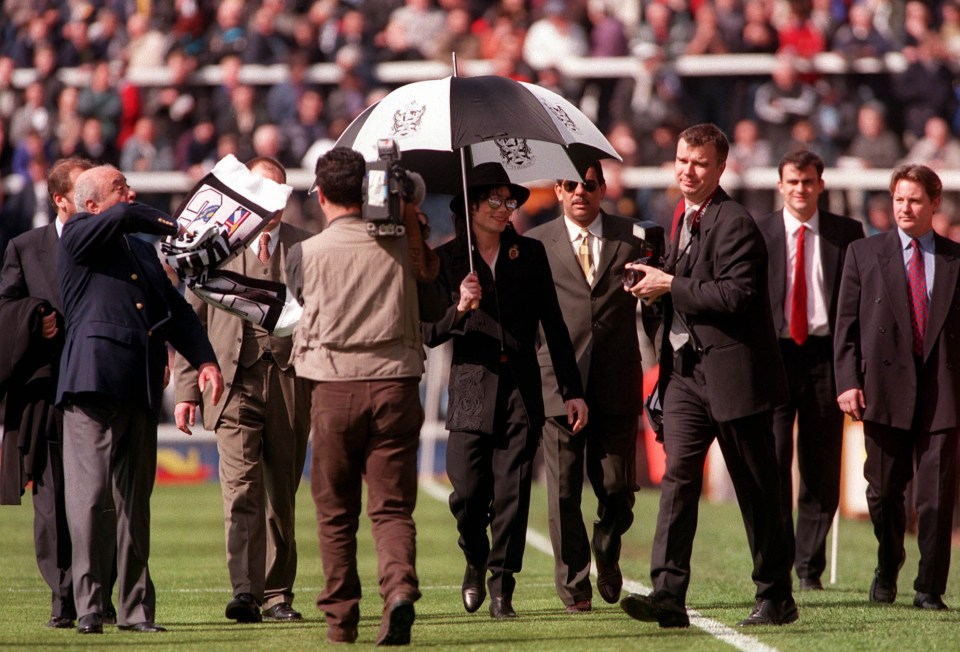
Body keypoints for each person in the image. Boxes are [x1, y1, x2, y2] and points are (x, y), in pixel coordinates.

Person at [620, 123, 797, 628]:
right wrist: (651, 282)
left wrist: (670, 283)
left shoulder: (736, 222)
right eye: (681, 160)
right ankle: (667, 595)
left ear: (721, 168)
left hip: (737, 378)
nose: (687, 171)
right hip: (685, 375)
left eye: (699, 163)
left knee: (756, 488)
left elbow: (735, 296)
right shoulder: (681, 217)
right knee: (677, 480)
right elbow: (685, 287)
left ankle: (776, 595)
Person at [56, 165, 223, 634]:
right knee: (89, 500)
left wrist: (205, 359)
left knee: (135, 505)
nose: (129, 193)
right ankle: (89, 606)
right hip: (92, 383)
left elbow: (177, 313)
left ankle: (134, 611)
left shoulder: (142, 252)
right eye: (118, 188)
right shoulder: (78, 232)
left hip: (140, 386)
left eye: (128, 186)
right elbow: (126, 216)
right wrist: (175, 224)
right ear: (90, 205)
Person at [423, 163, 588, 620]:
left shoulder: (529, 254)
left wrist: (572, 390)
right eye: (493, 200)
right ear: (471, 206)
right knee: (469, 492)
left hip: (521, 387)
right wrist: (460, 306)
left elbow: (554, 326)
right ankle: (474, 558)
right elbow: (429, 332)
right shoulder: (449, 259)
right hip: (470, 386)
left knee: (513, 490)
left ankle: (501, 584)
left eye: (509, 200)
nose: (504, 209)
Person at [285, 147, 433, 645]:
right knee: (391, 508)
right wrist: (406, 206)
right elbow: (429, 271)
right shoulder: (400, 241)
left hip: (333, 388)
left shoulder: (304, 252)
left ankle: (341, 620)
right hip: (396, 383)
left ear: (321, 195)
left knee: (335, 511)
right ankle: (398, 591)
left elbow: (301, 300)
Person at [173, 156, 312, 624]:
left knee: (282, 494)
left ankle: (278, 594)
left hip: (292, 381)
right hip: (231, 384)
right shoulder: (215, 248)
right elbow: (188, 320)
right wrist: (187, 391)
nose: (271, 201)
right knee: (240, 489)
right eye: (261, 190)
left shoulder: (306, 247)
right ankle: (247, 592)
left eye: (279, 191)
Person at [834, 164, 960, 611]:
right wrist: (847, 381)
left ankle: (929, 588)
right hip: (882, 390)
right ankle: (888, 565)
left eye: (915, 200)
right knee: (883, 492)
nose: (905, 208)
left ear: (934, 204)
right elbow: (845, 327)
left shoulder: (955, 259)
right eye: (899, 199)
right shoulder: (863, 254)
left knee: (935, 499)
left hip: (942, 392)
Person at [0, 156, 119, 629]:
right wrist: (35, 316)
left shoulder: (113, 242)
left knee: (100, 497)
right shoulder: (25, 247)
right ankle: (62, 596)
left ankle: (99, 595)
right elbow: (5, 307)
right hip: (48, 392)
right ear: (61, 199)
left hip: (101, 386)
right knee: (51, 501)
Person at [524, 162, 644, 612]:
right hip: (557, 381)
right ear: (557, 189)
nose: (580, 193)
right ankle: (575, 587)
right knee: (563, 491)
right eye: (571, 185)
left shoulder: (634, 238)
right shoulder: (535, 243)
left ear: (602, 188)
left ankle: (607, 549)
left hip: (616, 382)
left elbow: (652, 306)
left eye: (589, 185)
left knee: (617, 488)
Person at [755, 150, 864, 591]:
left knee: (821, 467)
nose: (800, 189)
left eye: (808, 182)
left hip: (825, 359)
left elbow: (854, 308)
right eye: (793, 181)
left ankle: (809, 568)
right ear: (780, 185)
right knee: (774, 462)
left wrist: (852, 371)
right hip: (775, 359)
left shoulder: (846, 233)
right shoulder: (759, 232)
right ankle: (778, 559)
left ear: (821, 185)